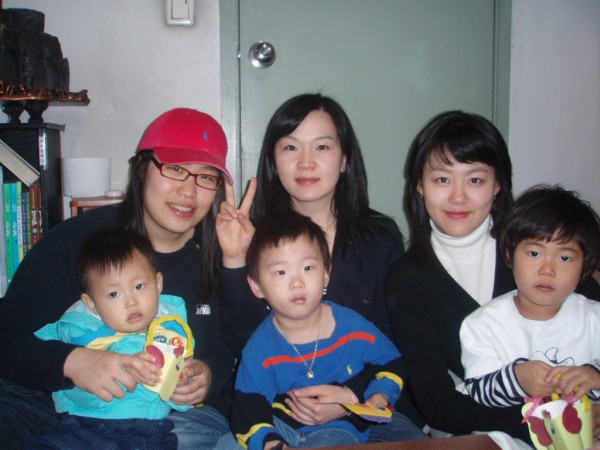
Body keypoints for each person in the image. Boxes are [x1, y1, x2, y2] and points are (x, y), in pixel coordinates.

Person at [0, 108, 237, 450]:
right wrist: (72, 361)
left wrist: (206, 376)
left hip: (169, 420)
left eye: (206, 176)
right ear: (141, 169)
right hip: (65, 410)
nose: (188, 191)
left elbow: (228, 352)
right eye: (174, 169)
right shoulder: (81, 241)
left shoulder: (221, 254)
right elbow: (8, 338)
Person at [384, 111, 600, 448]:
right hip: (484, 431)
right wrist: (549, 423)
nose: (458, 197)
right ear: (419, 185)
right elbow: (438, 404)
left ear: (497, 185)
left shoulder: (540, 250)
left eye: (475, 180)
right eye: (442, 179)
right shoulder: (407, 280)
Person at [217, 93, 425, 442]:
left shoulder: (377, 237)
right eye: (291, 147)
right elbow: (247, 346)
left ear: (344, 160)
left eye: (322, 147)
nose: (306, 162)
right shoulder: (255, 235)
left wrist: (350, 397)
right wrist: (237, 259)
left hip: (366, 406)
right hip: (276, 413)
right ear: (273, 161)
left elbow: (393, 343)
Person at [232, 210, 415, 449]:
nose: (297, 282)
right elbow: (248, 408)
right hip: (278, 426)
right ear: (257, 286)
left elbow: (391, 363)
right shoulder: (259, 349)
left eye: (308, 268)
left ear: (327, 273)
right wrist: (271, 443)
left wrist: (380, 394)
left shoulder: (352, 326)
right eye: (281, 272)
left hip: (338, 426)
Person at [27, 229, 194, 449]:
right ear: (91, 304)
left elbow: (178, 402)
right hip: (89, 430)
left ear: (158, 283)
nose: (131, 302)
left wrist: (184, 385)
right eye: (114, 294)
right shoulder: (83, 336)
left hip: (156, 433)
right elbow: (74, 393)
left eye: (139, 286)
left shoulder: (173, 332)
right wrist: (123, 375)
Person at [460, 185, 600, 408]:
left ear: (585, 268)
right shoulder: (482, 325)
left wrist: (595, 378)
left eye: (564, 258)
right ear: (510, 255)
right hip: (510, 428)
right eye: (534, 253)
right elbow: (478, 390)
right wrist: (518, 380)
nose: (547, 270)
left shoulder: (594, 318)